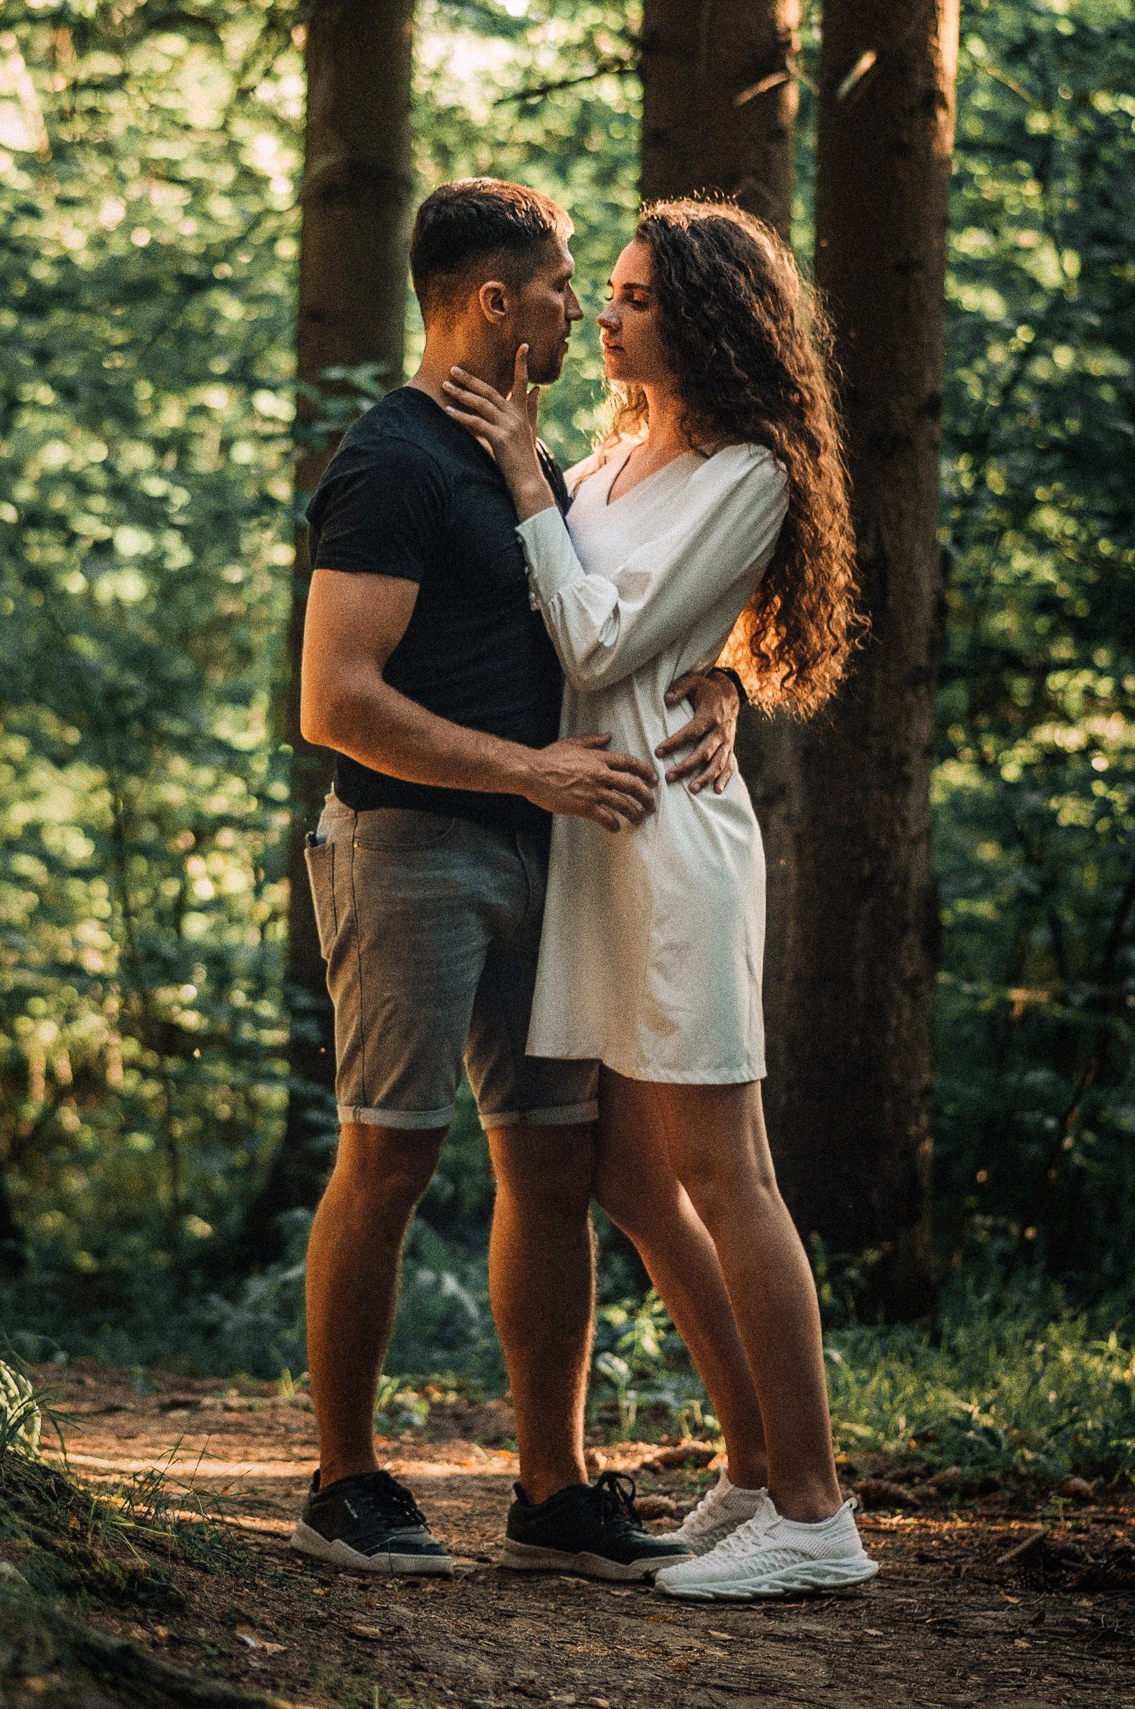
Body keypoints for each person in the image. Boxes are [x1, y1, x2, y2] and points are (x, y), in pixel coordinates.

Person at [289, 178, 745, 1583]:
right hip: (409, 848)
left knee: (552, 1163)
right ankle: (346, 1478)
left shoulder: (549, 456)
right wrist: (531, 771)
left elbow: (628, 615)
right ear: (496, 301)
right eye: (563, 286)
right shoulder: (396, 462)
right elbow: (335, 700)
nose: (583, 308)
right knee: (391, 1149)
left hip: (554, 861)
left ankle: (552, 1488)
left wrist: (724, 681)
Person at [435, 197, 876, 1600]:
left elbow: (600, 629)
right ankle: (749, 1467)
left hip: (670, 834)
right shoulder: (620, 452)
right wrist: (722, 671)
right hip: (589, 840)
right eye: (604, 291)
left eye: (627, 297)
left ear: (696, 318)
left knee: (726, 1172)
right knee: (629, 1172)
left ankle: (816, 1515)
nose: (602, 314)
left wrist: (520, 480)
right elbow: (616, 636)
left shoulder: (750, 468)